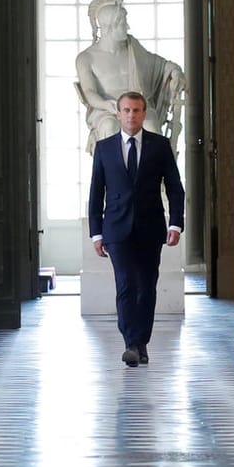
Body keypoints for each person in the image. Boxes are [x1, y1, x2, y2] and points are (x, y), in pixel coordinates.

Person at [88, 91, 184, 367]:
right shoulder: (104, 148)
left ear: (144, 114)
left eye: (137, 110)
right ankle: (131, 343)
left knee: (147, 287)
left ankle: (141, 341)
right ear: (118, 114)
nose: (132, 115)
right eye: (127, 110)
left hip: (151, 227)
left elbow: (175, 189)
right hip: (116, 229)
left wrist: (175, 223)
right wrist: (96, 233)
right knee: (126, 285)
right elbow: (97, 193)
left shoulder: (160, 146)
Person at [75, 0, 186, 154]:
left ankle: (151, 178)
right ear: (108, 28)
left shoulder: (132, 46)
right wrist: (107, 104)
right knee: (110, 127)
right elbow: (89, 92)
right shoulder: (86, 58)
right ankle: (115, 178)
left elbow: (161, 65)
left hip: (137, 106)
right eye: (122, 23)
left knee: (151, 127)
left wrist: (175, 72)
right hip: (107, 110)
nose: (127, 26)